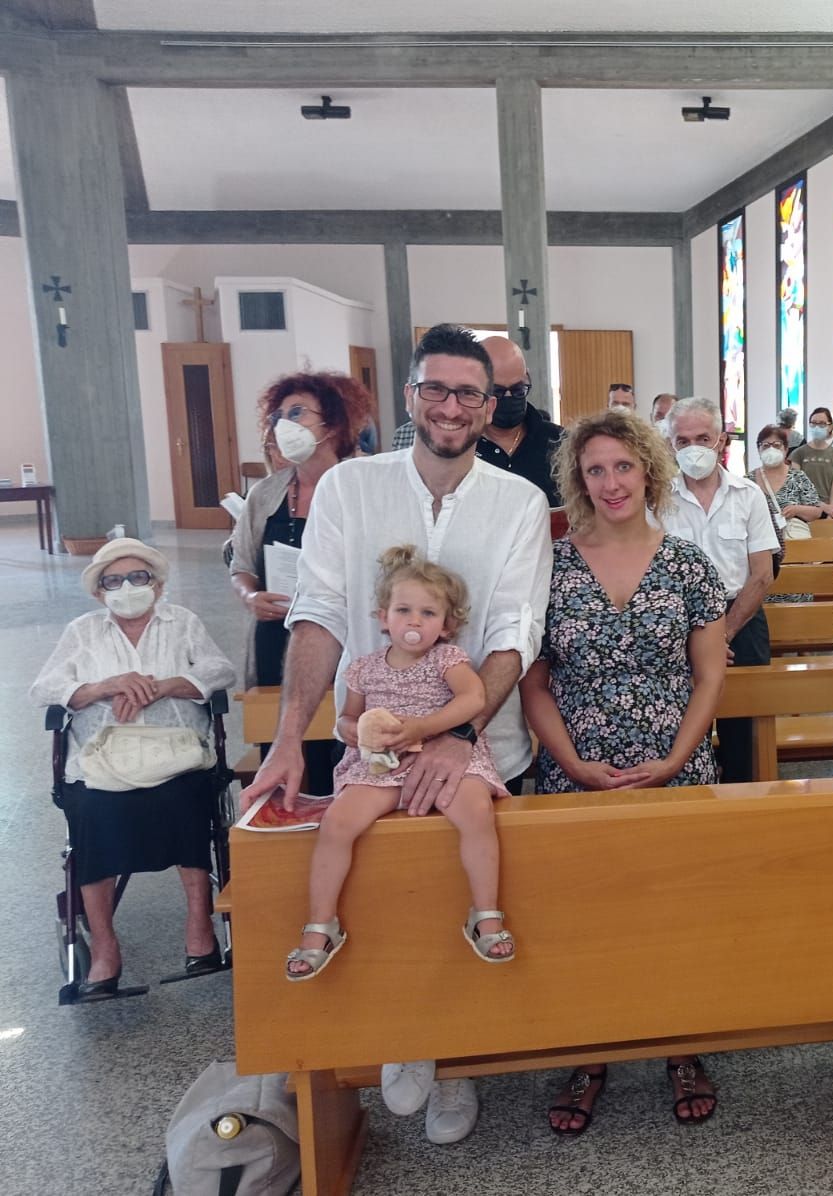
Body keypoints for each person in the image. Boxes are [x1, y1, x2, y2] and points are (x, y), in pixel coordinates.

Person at [240, 323, 552, 1147]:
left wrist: (458, 737)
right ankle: (404, 1040)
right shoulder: (350, 487)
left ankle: (455, 1062)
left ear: (490, 405)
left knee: (463, 896)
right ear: (411, 396)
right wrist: (288, 741)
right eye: (435, 388)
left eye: (469, 393)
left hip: (479, 749)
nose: (452, 406)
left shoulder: (519, 502)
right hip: (371, 753)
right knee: (383, 899)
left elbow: (514, 630)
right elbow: (319, 614)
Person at [521, 408, 727, 1134]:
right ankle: (590, 1053)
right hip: (578, 766)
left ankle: (682, 1048)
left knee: (676, 915)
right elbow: (534, 683)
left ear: (648, 471)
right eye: (595, 470)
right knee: (584, 919)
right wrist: (571, 763)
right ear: (579, 480)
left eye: (623, 466)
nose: (611, 482)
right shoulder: (552, 564)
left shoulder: (687, 564)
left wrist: (677, 758)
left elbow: (710, 676)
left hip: (675, 763)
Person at [286, 547, 512, 981]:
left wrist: (423, 728)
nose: (414, 621)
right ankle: (320, 923)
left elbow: (473, 699)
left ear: (446, 625)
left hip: (442, 756)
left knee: (476, 811)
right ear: (383, 617)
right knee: (337, 822)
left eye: (428, 613)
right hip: (381, 765)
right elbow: (346, 718)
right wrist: (354, 731)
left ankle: (485, 913)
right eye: (404, 610)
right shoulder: (364, 669)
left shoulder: (447, 659)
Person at [30, 539, 236, 1000]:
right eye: (114, 580)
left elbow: (220, 671)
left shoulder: (182, 622)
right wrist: (105, 687)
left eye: (138, 577)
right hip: (102, 756)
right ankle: (105, 949)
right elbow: (44, 688)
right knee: (92, 813)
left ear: (157, 585)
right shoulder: (83, 631)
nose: (127, 587)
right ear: (99, 592)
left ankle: (200, 930)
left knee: (186, 799)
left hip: (176, 751)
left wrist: (165, 686)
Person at [231, 372, 375, 795]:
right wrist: (250, 595)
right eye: (277, 416)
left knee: (342, 748)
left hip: (344, 636)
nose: (283, 424)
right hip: (276, 634)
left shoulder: (362, 486)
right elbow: (241, 563)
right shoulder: (266, 493)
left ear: (331, 422)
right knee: (282, 740)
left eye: (296, 413)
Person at [659, 396, 778, 783]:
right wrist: (698, 640)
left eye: (703, 438)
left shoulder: (749, 495)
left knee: (743, 737)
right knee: (679, 729)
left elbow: (762, 575)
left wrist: (720, 635)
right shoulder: (656, 499)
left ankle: (742, 802)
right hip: (675, 624)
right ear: (670, 445)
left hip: (740, 621)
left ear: (721, 441)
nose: (693, 448)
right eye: (683, 441)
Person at [393, 337, 563, 507]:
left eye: (518, 390)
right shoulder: (452, 439)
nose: (509, 398)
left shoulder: (561, 442)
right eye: (498, 391)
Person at [750, 422, 825, 599]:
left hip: (796, 552)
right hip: (763, 554)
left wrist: (796, 509)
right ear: (758, 449)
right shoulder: (748, 481)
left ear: (785, 449)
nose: (771, 449)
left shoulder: (798, 477)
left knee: (797, 596)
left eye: (776, 445)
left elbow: (816, 512)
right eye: (765, 445)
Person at [790, 406, 833, 518]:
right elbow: (797, 485)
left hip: (828, 509)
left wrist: (831, 510)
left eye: (822, 424)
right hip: (804, 509)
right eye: (813, 423)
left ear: (830, 427)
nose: (817, 427)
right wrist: (820, 505)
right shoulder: (798, 453)